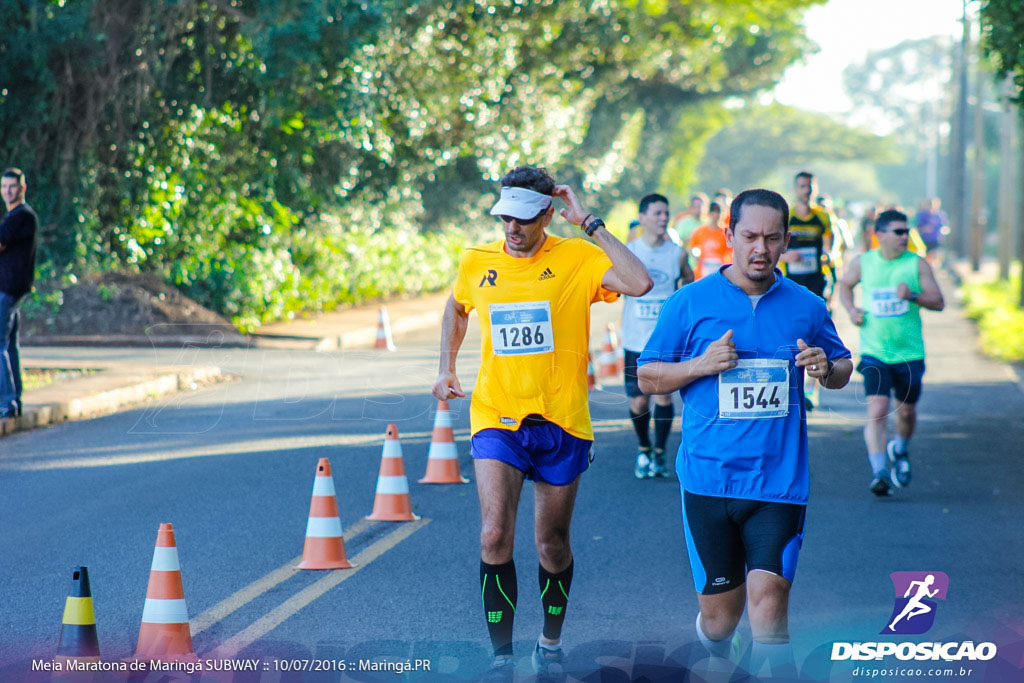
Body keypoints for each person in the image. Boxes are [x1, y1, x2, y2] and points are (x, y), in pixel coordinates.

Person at [432, 166, 652, 678]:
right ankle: (502, 658)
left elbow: (640, 282)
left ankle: (549, 641)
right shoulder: (477, 260)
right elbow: (458, 307)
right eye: (506, 216)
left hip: (563, 420)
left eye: (525, 218)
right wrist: (446, 366)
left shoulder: (577, 257)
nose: (512, 227)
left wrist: (590, 224)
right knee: (493, 535)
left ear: (548, 215)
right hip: (498, 414)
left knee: (551, 543)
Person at [637, 189, 853, 680]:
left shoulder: (806, 306)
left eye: (772, 238)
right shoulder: (689, 303)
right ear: (728, 235)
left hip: (779, 482)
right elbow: (647, 376)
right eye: (750, 236)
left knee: (770, 599)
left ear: (786, 241)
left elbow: (842, 365)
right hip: (708, 482)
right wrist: (699, 365)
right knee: (720, 619)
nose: (760, 248)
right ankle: (716, 643)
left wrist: (827, 367)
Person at [838, 209, 945, 497]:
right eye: (898, 232)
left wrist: (912, 296)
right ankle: (880, 472)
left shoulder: (916, 263)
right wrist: (851, 310)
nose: (904, 237)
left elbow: (938, 301)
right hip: (874, 352)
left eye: (906, 231)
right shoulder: (864, 262)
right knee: (877, 410)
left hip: (909, 354)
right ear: (880, 234)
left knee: (907, 412)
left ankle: (900, 447)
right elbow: (844, 284)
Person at [621, 193, 693, 479]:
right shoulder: (630, 250)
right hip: (634, 339)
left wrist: (678, 304)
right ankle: (643, 448)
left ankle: (660, 452)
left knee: (664, 396)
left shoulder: (677, 253)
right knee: (639, 401)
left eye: (666, 213)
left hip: (664, 340)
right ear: (643, 217)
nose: (664, 218)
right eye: (658, 213)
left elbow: (689, 281)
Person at [0, 168, 38, 419]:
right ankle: (14, 400)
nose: (7, 191)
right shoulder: (14, 216)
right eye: (4, 186)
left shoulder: (21, 215)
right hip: (11, 290)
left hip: (8, 290)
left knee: (0, 346)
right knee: (10, 345)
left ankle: (7, 402)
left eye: (12, 186)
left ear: (22, 188)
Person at [688, 201, 732, 280]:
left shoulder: (727, 233)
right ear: (709, 213)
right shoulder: (699, 231)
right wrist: (696, 255)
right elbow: (693, 248)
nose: (715, 214)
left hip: (721, 274)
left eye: (718, 211)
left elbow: (731, 253)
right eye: (713, 211)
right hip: (702, 273)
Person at [913, 198, 948, 266]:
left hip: (935, 240)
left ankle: (931, 268)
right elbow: (916, 227)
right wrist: (924, 229)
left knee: (933, 256)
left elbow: (943, 227)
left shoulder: (939, 215)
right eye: (929, 205)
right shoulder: (921, 215)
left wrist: (943, 231)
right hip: (922, 240)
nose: (931, 207)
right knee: (924, 258)